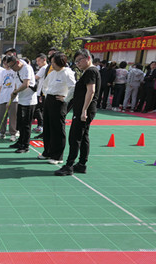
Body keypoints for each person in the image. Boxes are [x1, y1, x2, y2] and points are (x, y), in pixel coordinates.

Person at [55, 48, 101, 176]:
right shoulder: (89, 72)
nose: (78, 63)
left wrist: (84, 110)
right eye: (76, 61)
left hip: (84, 110)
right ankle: (81, 164)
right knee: (84, 136)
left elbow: (91, 91)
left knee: (75, 137)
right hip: (84, 109)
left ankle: (69, 165)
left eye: (80, 60)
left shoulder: (91, 71)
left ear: (88, 58)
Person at [39, 52, 76, 163]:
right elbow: (44, 85)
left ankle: (57, 156)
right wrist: (46, 95)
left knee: (57, 129)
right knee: (47, 127)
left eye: (53, 62)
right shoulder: (52, 73)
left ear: (61, 62)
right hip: (49, 100)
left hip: (59, 102)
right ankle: (47, 152)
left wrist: (65, 99)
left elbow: (73, 87)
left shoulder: (67, 73)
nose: (52, 64)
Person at [6, 55, 38, 153]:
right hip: (21, 99)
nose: (12, 69)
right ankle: (20, 142)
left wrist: (15, 92)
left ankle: (25, 146)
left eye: (12, 66)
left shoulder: (27, 68)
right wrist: (11, 99)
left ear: (18, 62)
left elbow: (26, 84)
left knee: (26, 124)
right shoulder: (16, 71)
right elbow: (16, 86)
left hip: (29, 101)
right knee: (20, 123)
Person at [0, 56, 18, 141]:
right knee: (1, 116)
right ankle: (2, 132)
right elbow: (1, 85)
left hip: (13, 98)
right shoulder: (2, 72)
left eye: (7, 63)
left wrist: (15, 95)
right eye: (4, 63)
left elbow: (16, 85)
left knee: (12, 116)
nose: (6, 65)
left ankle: (13, 133)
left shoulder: (15, 72)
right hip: (3, 97)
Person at [33, 53, 48, 134]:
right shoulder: (47, 68)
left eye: (39, 60)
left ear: (44, 59)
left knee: (37, 109)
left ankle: (41, 125)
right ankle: (41, 125)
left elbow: (36, 77)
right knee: (40, 110)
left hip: (41, 93)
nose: (37, 62)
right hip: (42, 92)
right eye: (37, 61)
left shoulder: (43, 68)